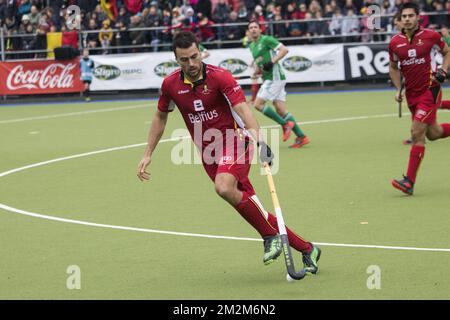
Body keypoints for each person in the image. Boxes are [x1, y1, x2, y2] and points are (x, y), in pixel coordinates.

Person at [136, 31, 321, 273]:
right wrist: (148, 152)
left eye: (194, 56)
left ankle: (269, 237)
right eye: (184, 60)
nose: (191, 64)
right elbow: (160, 116)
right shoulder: (171, 84)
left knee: (223, 187)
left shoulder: (220, 77)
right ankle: (308, 249)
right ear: (176, 59)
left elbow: (243, 110)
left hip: (236, 142)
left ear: (200, 51)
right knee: (252, 207)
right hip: (208, 154)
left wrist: (261, 141)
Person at [389, 2, 450, 195]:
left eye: (410, 15)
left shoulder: (431, 36)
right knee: (434, 133)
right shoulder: (394, 43)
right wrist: (399, 89)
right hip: (412, 95)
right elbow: (393, 68)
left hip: (429, 90)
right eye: (404, 16)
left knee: (416, 133)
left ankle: (409, 182)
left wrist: (444, 70)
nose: (407, 19)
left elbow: (447, 52)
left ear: (418, 17)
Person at [247, 20, 310, 148]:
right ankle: (302, 137)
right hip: (270, 78)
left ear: (260, 29)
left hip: (274, 77)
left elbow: (284, 50)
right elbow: (261, 63)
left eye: (255, 27)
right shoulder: (252, 46)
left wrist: (272, 62)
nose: (253, 29)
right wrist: (257, 72)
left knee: (258, 104)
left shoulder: (266, 39)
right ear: (248, 31)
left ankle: (285, 125)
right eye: (251, 28)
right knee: (281, 110)